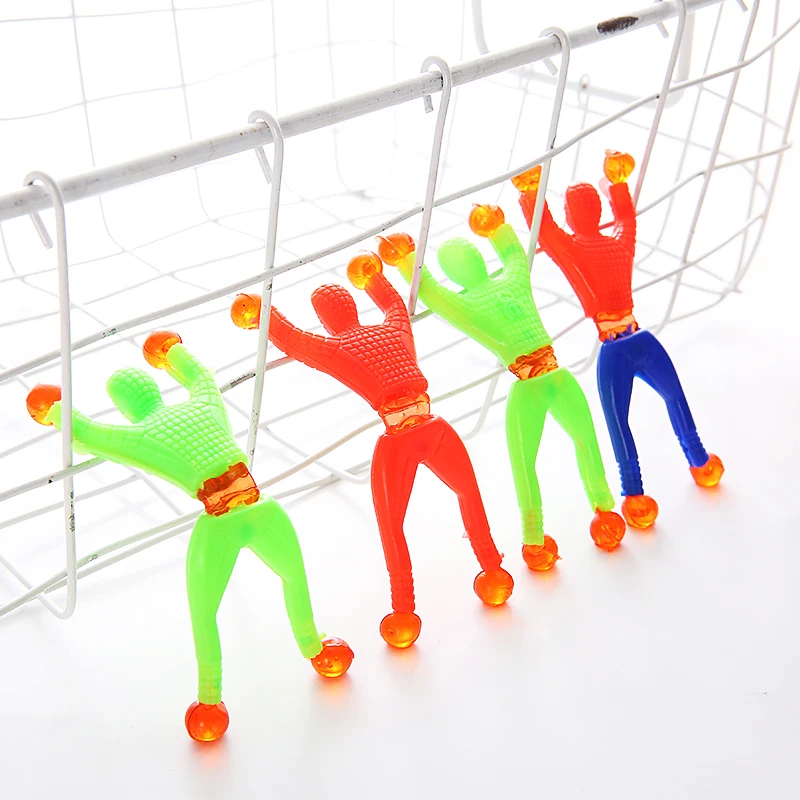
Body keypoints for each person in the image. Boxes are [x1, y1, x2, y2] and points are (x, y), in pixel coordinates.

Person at [26, 331, 353, 743]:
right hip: (261, 507)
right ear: (154, 386)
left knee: (204, 614)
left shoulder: (140, 436)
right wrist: (170, 351)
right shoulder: (204, 404)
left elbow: (88, 435)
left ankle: (210, 701)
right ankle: (316, 648)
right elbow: (202, 376)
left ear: (125, 409)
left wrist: (54, 409)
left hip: (217, 522)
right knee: (294, 577)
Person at [231, 254, 513, 650]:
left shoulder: (337, 347)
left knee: (392, 526)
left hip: (398, 438)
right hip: (434, 426)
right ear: (352, 305)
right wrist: (373, 278)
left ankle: (404, 611)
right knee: (468, 492)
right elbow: (395, 304)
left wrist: (262, 314)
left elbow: (293, 340)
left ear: (326, 320)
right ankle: (494, 568)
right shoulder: (393, 330)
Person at [377, 208, 626, 571]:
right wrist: (496, 228)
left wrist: (405, 259)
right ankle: (600, 508)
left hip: (531, 385)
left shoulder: (469, 304)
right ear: (478, 257)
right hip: (556, 376)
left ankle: (536, 537)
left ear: (454, 275)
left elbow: (430, 291)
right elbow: (514, 254)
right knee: (583, 441)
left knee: (527, 464)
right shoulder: (513, 280)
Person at [514, 154, 724, 530]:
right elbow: (627, 220)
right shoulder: (619, 245)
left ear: (571, 215)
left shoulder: (574, 249)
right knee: (673, 397)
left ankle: (635, 494)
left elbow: (545, 232)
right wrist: (618, 183)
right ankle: (699, 460)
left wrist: (531, 193)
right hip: (641, 338)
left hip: (614, 348)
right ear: (597, 212)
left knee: (618, 421)